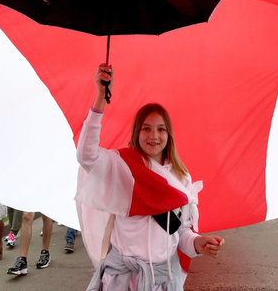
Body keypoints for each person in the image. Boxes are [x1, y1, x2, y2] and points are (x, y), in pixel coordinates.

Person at [76, 63, 224, 290]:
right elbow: (86, 155)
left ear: (169, 134)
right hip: (121, 281)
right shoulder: (122, 168)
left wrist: (197, 242)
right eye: (146, 128)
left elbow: (180, 232)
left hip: (162, 281)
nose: (153, 136)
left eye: (161, 129)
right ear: (137, 132)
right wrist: (100, 99)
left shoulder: (181, 178)